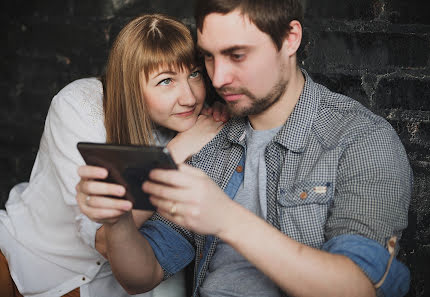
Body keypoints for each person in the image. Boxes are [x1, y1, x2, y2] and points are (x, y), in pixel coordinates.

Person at [76, 1, 413, 297]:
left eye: (237, 55)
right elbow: (142, 275)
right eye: (208, 57)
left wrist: (227, 219)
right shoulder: (211, 145)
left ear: (289, 38)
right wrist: (119, 222)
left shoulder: (361, 140)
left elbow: (359, 288)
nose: (218, 78)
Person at [0, 14, 227, 297]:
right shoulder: (79, 106)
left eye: (194, 74)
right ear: (131, 87)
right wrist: (177, 151)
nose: (189, 97)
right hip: (16, 253)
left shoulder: (199, 128)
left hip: (90, 288)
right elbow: (101, 238)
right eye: (166, 81)